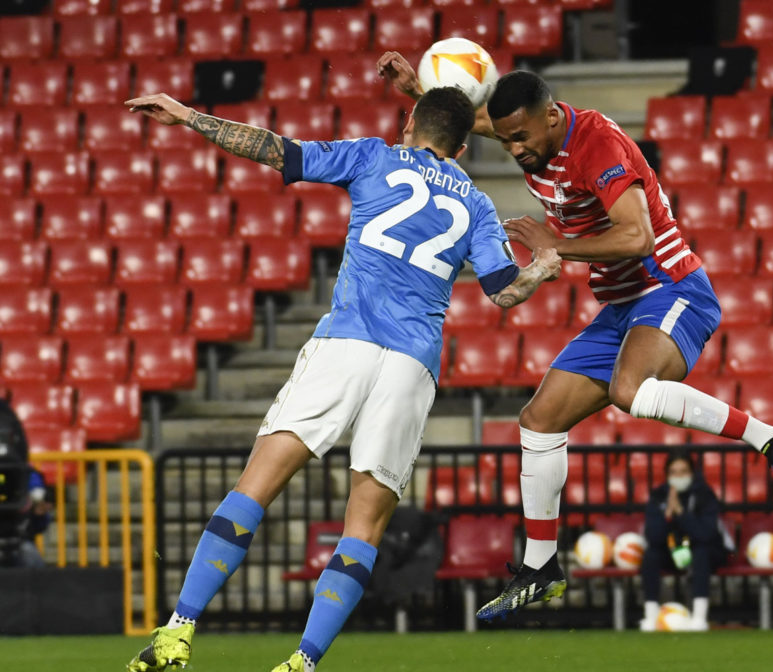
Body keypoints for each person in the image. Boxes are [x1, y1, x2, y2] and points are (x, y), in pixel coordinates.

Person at [122, 86, 561, 672]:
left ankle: (179, 631)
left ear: (410, 122)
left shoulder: (374, 157)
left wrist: (190, 116)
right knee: (365, 521)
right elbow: (503, 291)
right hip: (411, 365)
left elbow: (277, 150)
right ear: (461, 146)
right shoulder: (478, 206)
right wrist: (544, 269)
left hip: (346, 343)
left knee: (258, 484)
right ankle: (302, 663)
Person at [377, 56, 773, 622]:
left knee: (632, 390)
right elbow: (477, 122)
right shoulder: (526, 131)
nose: (517, 150)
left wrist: (555, 245)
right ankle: (540, 568)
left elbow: (636, 236)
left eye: (523, 138)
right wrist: (420, 90)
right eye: (507, 141)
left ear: (553, 117)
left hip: (670, 286)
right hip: (622, 307)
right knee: (538, 421)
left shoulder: (596, 145)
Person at [639, 451, 732, 632]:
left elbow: (705, 534)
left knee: (701, 552)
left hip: (706, 553)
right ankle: (650, 616)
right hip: (673, 552)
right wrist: (667, 516)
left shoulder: (704, 494)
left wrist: (681, 514)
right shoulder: (659, 496)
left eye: (683, 472)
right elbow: (653, 537)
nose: (679, 477)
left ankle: (699, 617)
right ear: (667, 475)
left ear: (692, 473)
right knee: (651, 555)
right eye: (674, 472)